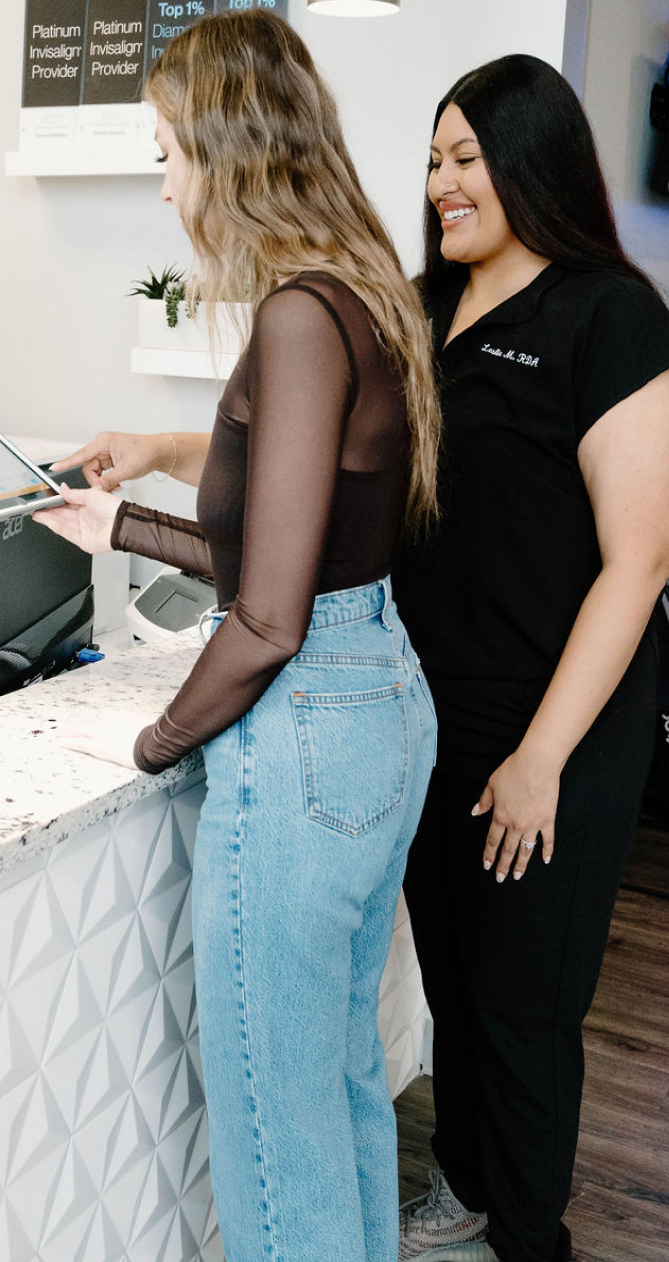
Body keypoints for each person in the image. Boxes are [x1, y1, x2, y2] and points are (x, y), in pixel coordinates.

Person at [38, 12, 440, 1261]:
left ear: (225, 149)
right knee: (340, 1096)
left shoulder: (297, 318)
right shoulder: (361, 293)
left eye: (165, 151)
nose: (162, 182)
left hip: (309, 729)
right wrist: (123, 528)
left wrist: (156, 742)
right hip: (376, 693)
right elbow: (295, 563)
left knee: (276, 1148)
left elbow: (267, 619)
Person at [389, 56, 669, 1262]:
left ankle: (528, 1237)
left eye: (468, 158)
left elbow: (641, 559)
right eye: (436, 158)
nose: (444, 182)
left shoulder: (607, 312)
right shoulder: (416, 306)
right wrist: (160, 442)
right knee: (453, 979)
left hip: (555, 727)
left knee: (521, 1005)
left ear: (531, 161)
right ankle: (462, 1183)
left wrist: (539, 756)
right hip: (427, 713)